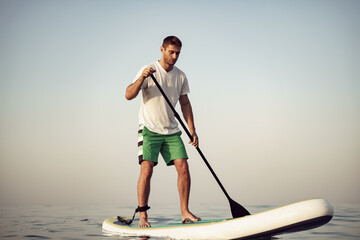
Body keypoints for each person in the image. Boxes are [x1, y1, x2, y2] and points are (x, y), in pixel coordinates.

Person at [125, 36, 201, 228]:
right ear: (162, 49)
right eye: (171, 52)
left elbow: (184, 103)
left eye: (177, 53)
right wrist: (142, 77)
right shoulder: (148, 69)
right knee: (147, 169)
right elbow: (128, 95)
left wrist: (192, 130)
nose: (174, 56)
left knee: (183, 167)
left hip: (171, 130)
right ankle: (142, 215)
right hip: (149, 129)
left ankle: (185, 212)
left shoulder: (181, 76)